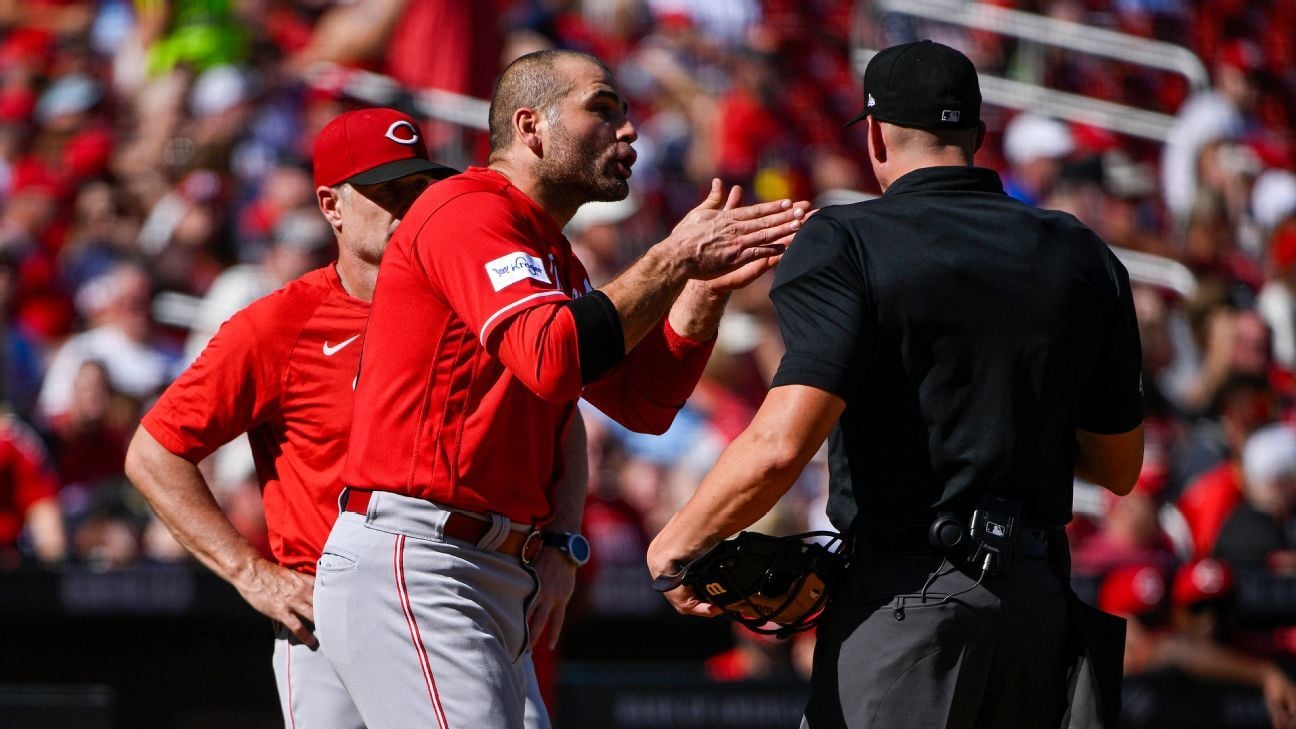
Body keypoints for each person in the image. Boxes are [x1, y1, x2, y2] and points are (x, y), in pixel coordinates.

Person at [647, 40, 1146, 728]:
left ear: (876, 135)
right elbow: (1118, 467)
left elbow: (780, 443)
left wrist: (677, 541)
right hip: (1037, 605)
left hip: (911, 599)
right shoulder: (1082, 252)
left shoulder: (847, 239)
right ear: (976, 133)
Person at [313, 48, 808, 729]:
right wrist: (671, 256)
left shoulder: (551, 252)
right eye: (602, 110)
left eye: (629, 115)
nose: (628, 131)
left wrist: (700, 293)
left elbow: (643, 403)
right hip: (419, 557)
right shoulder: (466, 207)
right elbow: (549, 358)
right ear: (531, 127)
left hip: (480, 566)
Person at [124, 107, 463, 729]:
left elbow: (560, 412)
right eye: (385, 191)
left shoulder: (467, 305)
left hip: (453, 592)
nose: (407, 207)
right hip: (330, 614)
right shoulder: (282, 323)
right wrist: (250, 573)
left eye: (419, 189)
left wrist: (559, 543)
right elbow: (154, 451)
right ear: (332, 206)